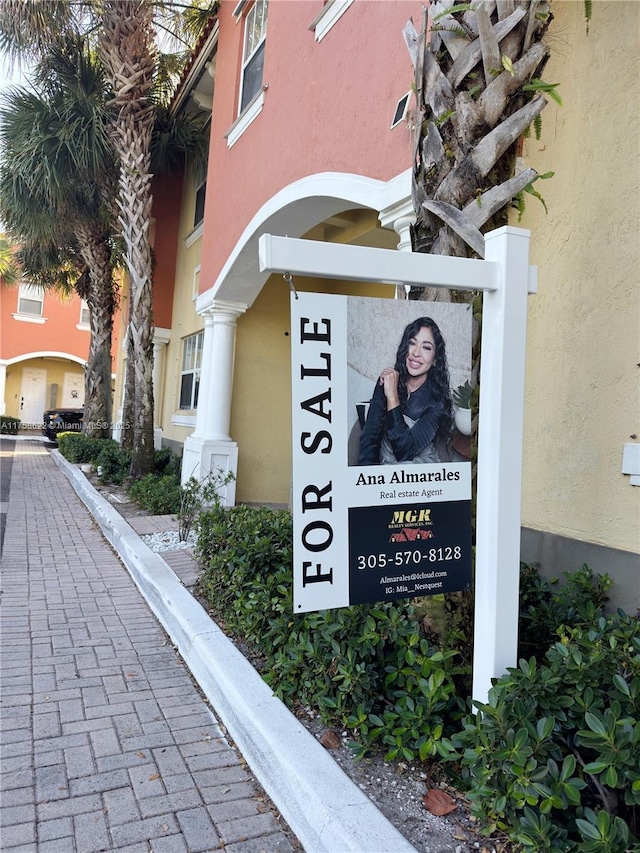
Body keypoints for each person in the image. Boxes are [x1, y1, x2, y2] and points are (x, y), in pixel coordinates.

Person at [358, 316, 453, 465]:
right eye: (412, 343)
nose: (416, 353)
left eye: (426, 347)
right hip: (385, 461)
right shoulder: (387, 379)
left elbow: (405, 452)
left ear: (435, 359)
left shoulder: (437, 402)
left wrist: (392, 397)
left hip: (416, 466)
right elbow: (370, 435)